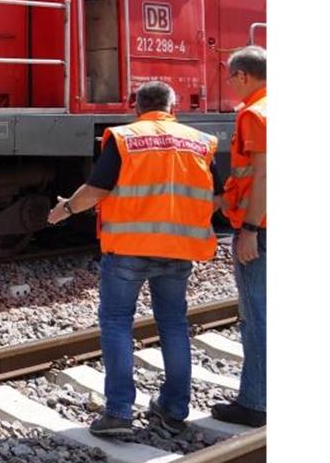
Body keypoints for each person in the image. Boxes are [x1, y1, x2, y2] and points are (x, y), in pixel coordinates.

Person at [47, 81, 220, 438]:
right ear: (174, 108)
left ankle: (119, 413)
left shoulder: (125, 138)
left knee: (116, 323)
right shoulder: (199, 142)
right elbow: (215, 197)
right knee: (173, 324)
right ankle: (173, 411)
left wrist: (65, 209)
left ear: (136, 107)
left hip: (127, 248)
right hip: (178, 250)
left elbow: (96, 190)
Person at [211, 46, 267, 427]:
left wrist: (248, 230)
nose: (230, 84)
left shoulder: (254, 114)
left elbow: (263, 175)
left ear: (244, 76)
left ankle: (255, 401)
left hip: (261, 229)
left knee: (257, 316)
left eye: (231, 77)